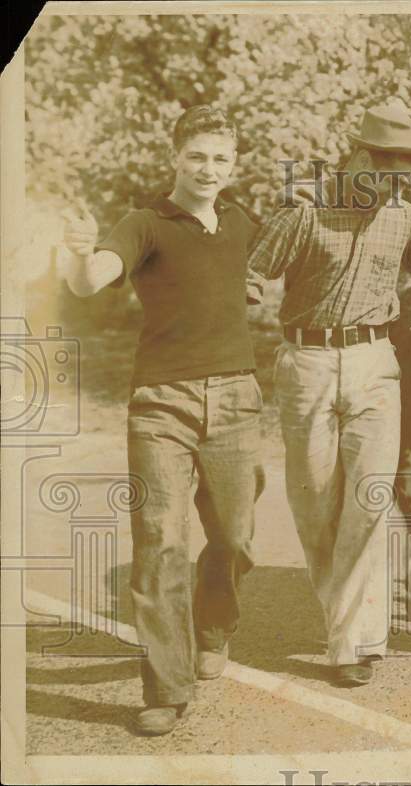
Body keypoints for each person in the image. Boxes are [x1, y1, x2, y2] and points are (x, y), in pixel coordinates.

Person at [246, 99, 411, 688]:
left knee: (369, 499)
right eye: (386, 168)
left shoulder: (404, 218)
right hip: (305, 362)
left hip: (375, 365)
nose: (395, 182)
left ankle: (352, 641)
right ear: (357, 155)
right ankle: (348, 625)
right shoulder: (303, 212)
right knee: (313, 506)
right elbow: (252, 275)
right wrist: (236, 300)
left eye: (405, 172)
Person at [61, 106, 264, 735]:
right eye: (197, 155)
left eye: (220, 159)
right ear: (175, 154)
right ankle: (165, 688)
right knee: (159, 542)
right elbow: (94, 280)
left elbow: (254, 277)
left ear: (235, 166)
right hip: (161, 405)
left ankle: (213, 626)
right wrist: (76, 255)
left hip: (237, 399)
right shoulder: (143, 223)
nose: (208, 169)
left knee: (234, 537)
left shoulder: (241, 223)